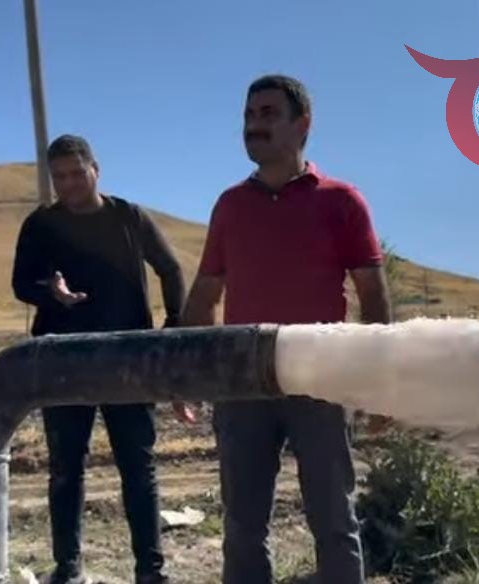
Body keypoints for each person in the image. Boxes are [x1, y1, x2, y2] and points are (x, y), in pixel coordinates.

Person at [178, 75, 392, 584]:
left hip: (320, 377)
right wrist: (188, 373)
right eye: (249, 115)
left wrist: (382, 382)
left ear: (303, 125)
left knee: (333, 519)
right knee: (242, 526)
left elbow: (373, 296)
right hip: (242, 381)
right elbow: (205, 293)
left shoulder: (342, 201)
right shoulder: (230, 205)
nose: (254, 125)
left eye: (269, 114)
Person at [12, 134, 184, 584]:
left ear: (96, 170)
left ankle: (150, 570)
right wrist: (50, 291)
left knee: (138, 465)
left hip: (128, 357)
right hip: (63, 359)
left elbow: (170, 268)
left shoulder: (128, 217)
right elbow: (20, 282)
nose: (69, 184)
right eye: (60, 177)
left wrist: (173, 329)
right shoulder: (41, 224)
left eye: (77, 173)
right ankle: (68, 568)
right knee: (65, 466)